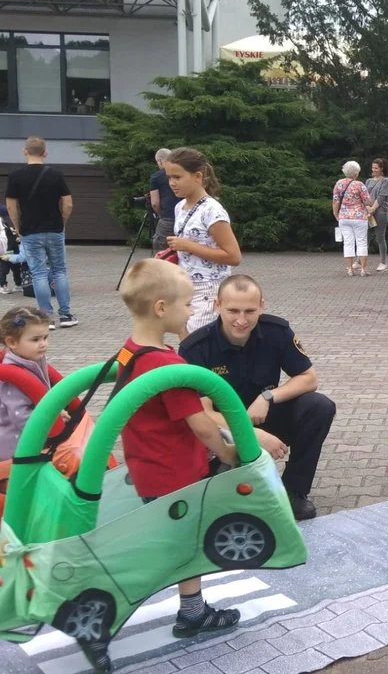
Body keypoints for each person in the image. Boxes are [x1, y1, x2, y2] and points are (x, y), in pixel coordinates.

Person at [105, 258, 240, 674]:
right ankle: (104, 617)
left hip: (150, 468)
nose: (192, 310)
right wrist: (231, 453)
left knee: (181, 545)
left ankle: (192, 610)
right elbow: (200, 425)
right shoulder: (167, 365)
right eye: (187, 303)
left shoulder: (130, 351)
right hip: (177, 474)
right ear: (161, 308)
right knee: (174, 548)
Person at [180, 274, 336, 520]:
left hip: (261, 417)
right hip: (220, 432)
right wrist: (249, 433)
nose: (241, 320)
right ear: (216, 305)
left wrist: (268, 396)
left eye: (250, 311)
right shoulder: (196, 348)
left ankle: (293, 491)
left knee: (318, 406)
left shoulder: (277, 332)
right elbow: (203, 413)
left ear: (262, 305)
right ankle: (221, 475)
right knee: (214, 506)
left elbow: (309, 378)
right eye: (232, 310)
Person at [163, 147, 242, 335]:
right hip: (185, 286)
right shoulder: (180, 206)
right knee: (185, 339)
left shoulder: (212, 211)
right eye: (169, 177)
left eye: (178, 177)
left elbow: (233, 256)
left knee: (197, 345)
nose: (172, 183)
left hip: (209, 288)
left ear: (198, 176)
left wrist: (188, 246)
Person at [5, 137, 75, 328]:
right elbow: (68, 203)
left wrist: (18, 227)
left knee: (38, 274)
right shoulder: (56, 174)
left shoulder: (16, 176)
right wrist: (62, 222)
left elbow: (11, 206)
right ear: (45, 153)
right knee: (59, 270)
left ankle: (47, 317)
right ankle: (66, 315)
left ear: (25, 151)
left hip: (30, 230)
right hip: (54, 229)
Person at [0, 306, 53, 463]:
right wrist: (50, 424)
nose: (43, 344)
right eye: (35, 340)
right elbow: (20, 416)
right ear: (12, 342)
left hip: (29, 440)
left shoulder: (32, 360)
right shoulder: (11, 375)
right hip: (16, 447)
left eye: (45, 337)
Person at [333, 161, 372, 277]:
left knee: (348, 243)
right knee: (362, 242)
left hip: (344, 217)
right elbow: (367, 201)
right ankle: (363, 270)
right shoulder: (360, 185)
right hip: (359, 217)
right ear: (356, 172)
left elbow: (336, 200)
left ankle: (350, 269)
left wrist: (336, 214)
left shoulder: (339, 183)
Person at [149, 147, 180, 252]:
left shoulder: (156, 177)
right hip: (186, 217)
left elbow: (155, 203)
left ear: (160, 161)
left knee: (162, 251)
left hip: (168, 218)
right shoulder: (182, 173)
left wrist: (160, 214)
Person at [364, 158, 388, 272]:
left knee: (380, 237)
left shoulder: (385, 181)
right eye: (373, 167)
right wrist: (368, 208)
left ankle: (383, 262)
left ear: (381, 169)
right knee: (366, 236)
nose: (373, 169)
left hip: (380, 212)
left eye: (376, 168)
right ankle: (360, 260)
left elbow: (381, 197)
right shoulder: (368, 181)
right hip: (369, 212)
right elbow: (364, 196)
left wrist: (372, 209)